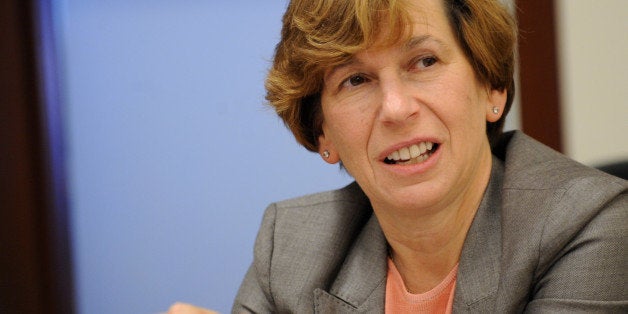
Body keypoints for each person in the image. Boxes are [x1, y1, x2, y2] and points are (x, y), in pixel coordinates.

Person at [170, 0, 627, 312]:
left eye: (424, 62)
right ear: (322, 131)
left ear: (491, 85)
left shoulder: (590, 222)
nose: (395, 108)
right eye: (355, 80)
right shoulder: (290, 246)